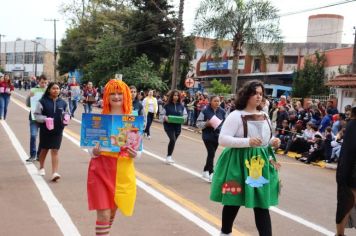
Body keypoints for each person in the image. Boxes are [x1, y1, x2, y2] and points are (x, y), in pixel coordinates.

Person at [210, 80, 281, 236]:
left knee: (262, 203)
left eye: (261, 94)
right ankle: (225, 232)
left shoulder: (264, 115)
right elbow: (223, 139)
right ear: (246, 94)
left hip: (259, 163)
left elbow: (265, 140)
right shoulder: (236, 115)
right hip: (238, 162)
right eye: (255, 93)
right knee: (233, 199)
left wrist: (273, 142)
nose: (258, 96)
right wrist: (247, 142)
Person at [87, 79, 140, 236]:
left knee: (111, 213)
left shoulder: (132, 119)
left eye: (120, 93)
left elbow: (138, 149)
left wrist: (135, 154)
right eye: (112, 93)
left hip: (123, 171)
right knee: (103, 213)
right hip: (100, 169)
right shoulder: (99, 119)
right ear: (107, 96)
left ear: (126, 96)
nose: (116, 96)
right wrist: (93, 151)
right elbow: (90, 146)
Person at [34, 82, 69, 181]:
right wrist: (45, 119)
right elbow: (36, 115)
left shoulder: (63, 102)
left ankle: (54, 173)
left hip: (58, 130)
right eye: (53, 88)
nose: (56, 90)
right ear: (49, 89)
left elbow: (67, 113)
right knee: (44, 149)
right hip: (46, 130)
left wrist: (67, 118)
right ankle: (41, 167)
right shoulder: (42, 101)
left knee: (55, 150)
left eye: (57, 88)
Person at [335, 103, 356, 236]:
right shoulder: (352, 125)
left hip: (351, 173)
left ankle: (339, 234)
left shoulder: (352, 126)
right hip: (352, 172)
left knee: (346, 204)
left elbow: (348, 152)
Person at [197, 95, 226, 182]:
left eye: (218, 101)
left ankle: (205, 169)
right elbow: (198, 123)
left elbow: (226, 123)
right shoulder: (205, 111)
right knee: (211, 153)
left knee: (211, 154)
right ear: (210, 101)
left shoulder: (223, 111)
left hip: (217, 136)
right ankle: (211, 173)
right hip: (207, 135)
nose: (217, 103)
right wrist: (206, 124)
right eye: (215, 101)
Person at [160, 90, 187, 164]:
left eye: (177, 95)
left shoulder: (181, 106)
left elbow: (185, 115)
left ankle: (169, 156)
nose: (176, 97)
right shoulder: (167, 105)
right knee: (172, 139)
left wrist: (184, 119)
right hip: (168, 126)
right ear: (172, 96)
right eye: (174, 95)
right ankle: (168, 157)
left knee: (173, 141)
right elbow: (161, 115)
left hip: (178, 126)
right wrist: (165, 118)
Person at [26, 75, 48, 162]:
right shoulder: (34, 90)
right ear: (39, 81)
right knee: (33, 135)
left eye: (45, 83)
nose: (44, 84)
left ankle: (39, 155)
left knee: (43, 138)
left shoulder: (49, 91)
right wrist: (29, 97)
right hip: (34, 117)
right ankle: (32, 155)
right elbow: (28, 104)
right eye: (42, 82)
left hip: (44, 118)